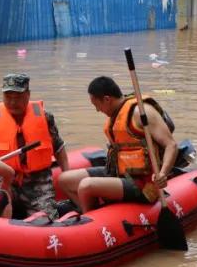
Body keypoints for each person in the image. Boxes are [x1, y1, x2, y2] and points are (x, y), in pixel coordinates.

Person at [57, 76, 178, 215]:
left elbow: (171, 144)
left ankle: (92, 222)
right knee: (64, 180)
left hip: (143, 183)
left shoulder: (141, 113)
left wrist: (163, 174)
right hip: (117, 174)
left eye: (97, 105)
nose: (97, 110)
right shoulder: (116, 114)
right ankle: (93, 213)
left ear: (107, 99)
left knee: (86, 186)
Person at [0, 73, 69, 220]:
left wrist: (66, 175)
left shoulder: (45, 117)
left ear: (28, 95)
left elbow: (58, 147)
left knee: (47, 221)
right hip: (3, 179)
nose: (12, 102)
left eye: (17, 97)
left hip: (38, 183)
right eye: (8, 97)